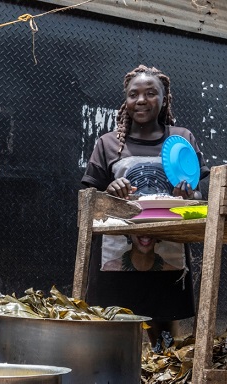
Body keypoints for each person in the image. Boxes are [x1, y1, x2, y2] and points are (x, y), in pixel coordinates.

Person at [81, 65, 209, 346]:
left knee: (165, 343)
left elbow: (200, 197)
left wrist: (188, 196)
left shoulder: (182, 139)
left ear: (165, 99)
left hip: (168, 261)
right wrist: (109, 191)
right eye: (133, 94)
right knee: (114, 340)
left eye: (151, 93)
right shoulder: (108, 144)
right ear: (125, 101)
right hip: (114, 265)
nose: (141, 100)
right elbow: (89, 201)